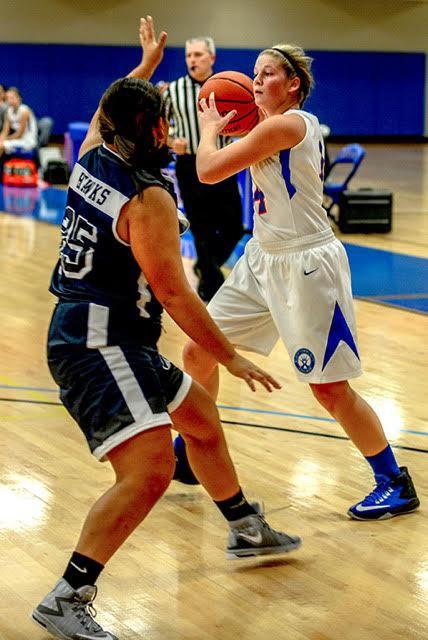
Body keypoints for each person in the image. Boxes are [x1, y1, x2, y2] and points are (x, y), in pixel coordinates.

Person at [31, 19, 301, 640]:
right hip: (99, 342)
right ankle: (68, 595)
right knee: (151, 471)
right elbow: (176, 292)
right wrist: (230, 355)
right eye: (164, 126)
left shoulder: (95, 149)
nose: (170, 132)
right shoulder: (148, 199)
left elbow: (109, 104)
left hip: (107, 332)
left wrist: (145, 65)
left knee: (200, 420)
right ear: (153, 131)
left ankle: (243, 525)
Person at [180, 43, 420, 522]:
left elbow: (207, 171)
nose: (255, 81)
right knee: (196, 349)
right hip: (263, 257)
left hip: (308, 266)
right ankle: (190, 451)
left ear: (293, 85)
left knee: (329, 390)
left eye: (267, 74)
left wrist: (208, 130)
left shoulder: (292, 124)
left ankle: (394, 480)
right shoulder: (264, 127)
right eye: (253, 74)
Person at [163, 37, 244, 302]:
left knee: (233, 225)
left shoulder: (227, 88)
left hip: (223, 159)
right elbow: (160, 127)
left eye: (198, 54)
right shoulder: (172, 90)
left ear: (212, 57)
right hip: (190, 165)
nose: (192, 60)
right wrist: (172, 141)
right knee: (201, 226)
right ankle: (210, 285)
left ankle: (206, 266)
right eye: (189, 56)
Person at [0, 86, 38, 156]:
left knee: (1, 145)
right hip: (17, 140)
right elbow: (5, 131)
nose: (9, 100)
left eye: (12, 98)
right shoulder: (8, 111)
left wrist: (5, 140)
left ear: (19, 98)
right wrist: (1, 138)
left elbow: (19, 134)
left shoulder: (24, 111)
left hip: (28, 141)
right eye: (7, 98)